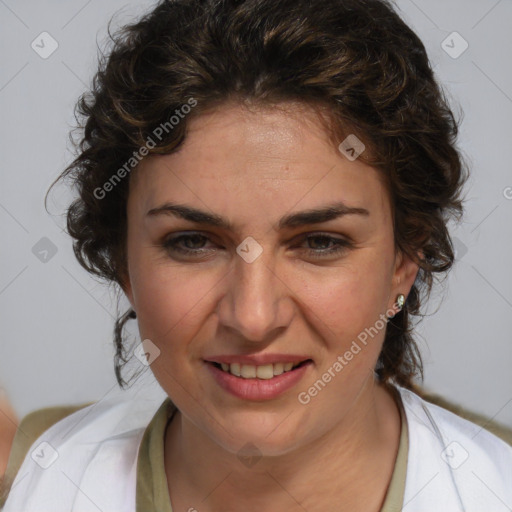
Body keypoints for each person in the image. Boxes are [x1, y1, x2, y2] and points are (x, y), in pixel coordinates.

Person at [1, 0, 511, 510]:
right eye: (192, 242)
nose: (253, 317)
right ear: (122, 261)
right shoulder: (32, 478)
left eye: (320, 242)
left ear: (404, 261)